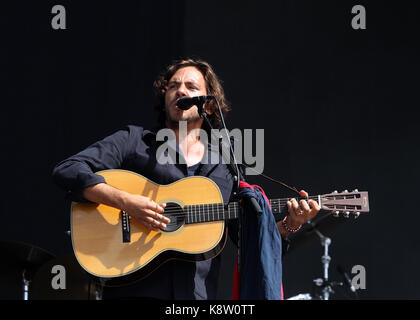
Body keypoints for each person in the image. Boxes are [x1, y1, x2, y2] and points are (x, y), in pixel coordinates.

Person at [52, 58, 320, 300]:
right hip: (132, 290)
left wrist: (289, 224)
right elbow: (68, 169)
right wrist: (126, 201)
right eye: (173, 86)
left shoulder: (225, 165)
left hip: (196, 298)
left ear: (209, 105)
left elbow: (247, 238)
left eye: (191, 87)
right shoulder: (135, 141)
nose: (180, 91)